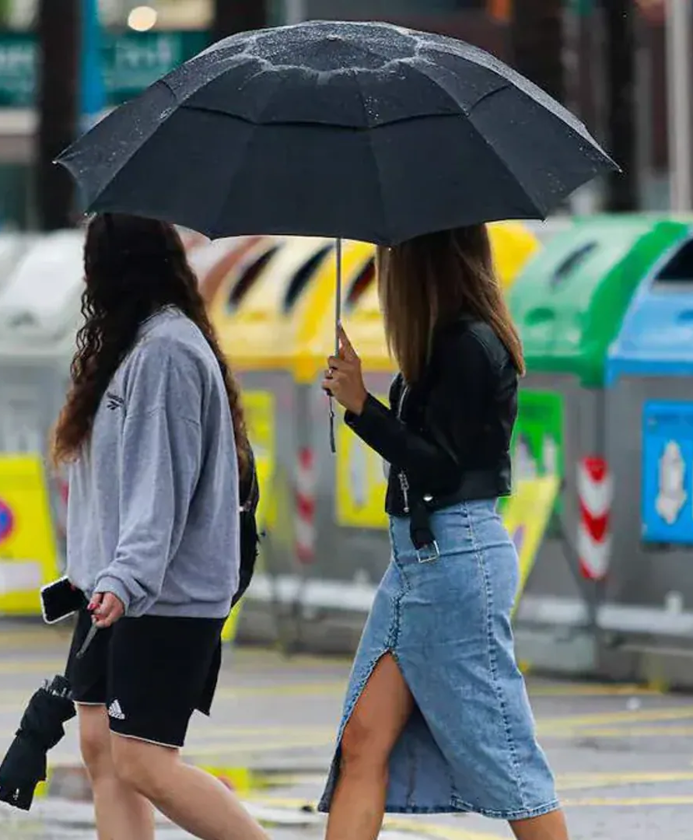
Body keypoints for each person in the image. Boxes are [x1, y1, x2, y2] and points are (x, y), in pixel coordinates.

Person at [319, 225, 569, 840]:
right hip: (419, 561)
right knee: (363, 741)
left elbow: (441, 467)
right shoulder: (442, 346)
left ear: (423, 260)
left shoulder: (468, 346)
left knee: (508, 761)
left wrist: (362, 408)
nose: (384, 275)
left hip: (455, 560)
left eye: (391, 257)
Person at [52, 213, 268, 840]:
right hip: (118, 588)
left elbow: (159, 484)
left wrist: (124, 576)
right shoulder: (132, 345)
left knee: (143, 759)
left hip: (162, 593)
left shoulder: (167, 352)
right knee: (101, 745)